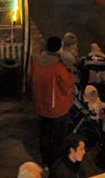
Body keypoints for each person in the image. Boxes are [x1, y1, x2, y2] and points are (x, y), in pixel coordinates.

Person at [32, 36, 76, 166]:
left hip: (42, 107)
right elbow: (67, 85)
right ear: (59, 49)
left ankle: (45, 161)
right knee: (58, 138)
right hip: (58, 109)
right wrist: (72, 75)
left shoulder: (36, 63)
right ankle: (55, 164)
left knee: (44, 135)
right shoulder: (58, 67)